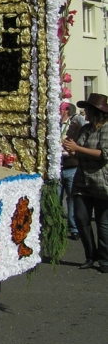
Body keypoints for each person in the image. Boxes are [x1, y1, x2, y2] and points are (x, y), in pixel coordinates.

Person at [63, 93, 108, 273]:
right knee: (82, 219)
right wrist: (71, 149)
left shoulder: (105, 129)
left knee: (103, 223)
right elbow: (79, 151)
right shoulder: (85, 129)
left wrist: (78, 148)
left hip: (101, 182)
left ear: (96, 111)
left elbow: (104, 154)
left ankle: (104, 259)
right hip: (82, 182)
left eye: (87, 109)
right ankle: (91, 255)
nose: (85, 112)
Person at [60, 102, 83, 240]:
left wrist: (71, 150)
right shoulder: (51, 126)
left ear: (66, 111)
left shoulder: (76, 127)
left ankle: (73, 228)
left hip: (70, 166)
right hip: (56, 168)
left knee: (71, 199)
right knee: (54, 198)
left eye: (60, 109)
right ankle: (55, 228)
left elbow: (79, 145)